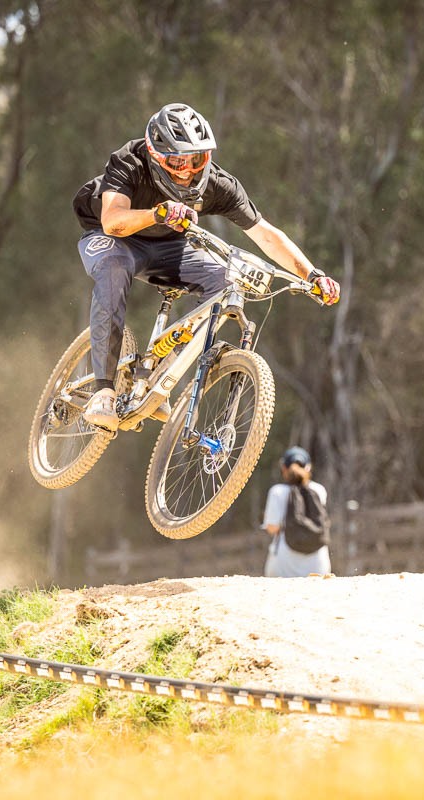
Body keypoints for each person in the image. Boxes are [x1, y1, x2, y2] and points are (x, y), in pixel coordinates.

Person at [72, 103, 341, 429]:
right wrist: (158, 213)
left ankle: (160, 375)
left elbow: (266, 235)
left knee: (226, 282)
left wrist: (312, 275)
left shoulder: (217, 184)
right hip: (114, 239)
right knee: (114, 271)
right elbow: (113, 220)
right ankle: (103, 391)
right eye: (176, 161)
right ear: (155, 155)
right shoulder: (130, 161)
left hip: (169, 248)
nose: (187, 170)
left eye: (196, 160)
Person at [262, 446, 330, 577]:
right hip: (318, 566)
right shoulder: (319, 490)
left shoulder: (277, 492)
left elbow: (272, 528)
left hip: (284, 566)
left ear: (283, 468)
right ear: (308, 468)